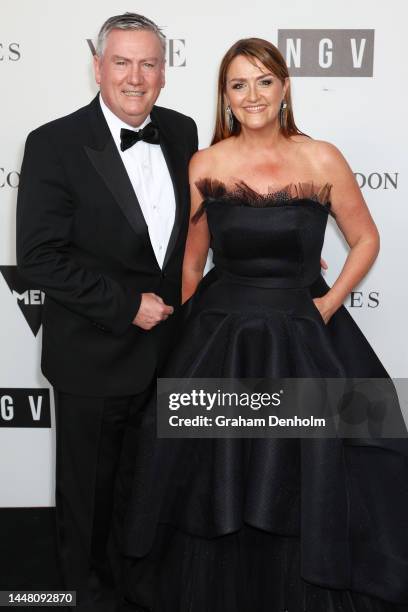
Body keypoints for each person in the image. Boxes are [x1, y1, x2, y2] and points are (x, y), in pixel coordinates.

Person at [122, 38, 408, 611]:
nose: (252, 95)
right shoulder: (205, 163)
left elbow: (366, 238)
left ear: (283, 89)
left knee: (334, 451)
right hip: (223, 340)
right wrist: (187, 337)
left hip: (305, 334)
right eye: (238, 84)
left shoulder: (321, 157)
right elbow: (191, 260)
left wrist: (329, 305)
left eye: (263, 81)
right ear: (225, 97)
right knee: (210, 459)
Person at [16, 12, 198, 611]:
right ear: (97, 66)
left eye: (148, 63)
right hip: (94, 357)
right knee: (89, 509)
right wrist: (125, 306)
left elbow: (196, 235)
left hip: (168, 358)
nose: (135, 77)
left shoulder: (182, 131)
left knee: (145, 497)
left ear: (164, 73)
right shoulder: (53, 142)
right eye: (121, 62)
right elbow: (40, 258)